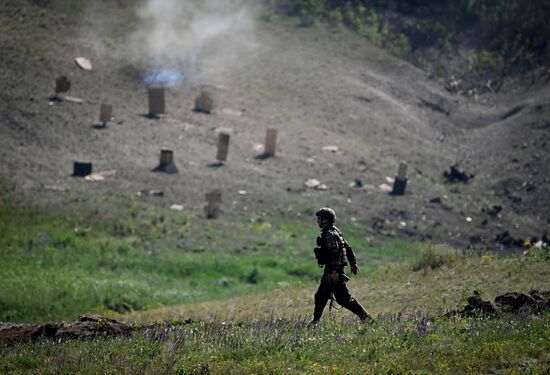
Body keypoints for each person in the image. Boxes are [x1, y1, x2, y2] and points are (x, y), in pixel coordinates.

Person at [309, 207, 373, 326]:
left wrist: (334, 272)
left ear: (326, 220)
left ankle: (314, 323)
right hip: (335, 269)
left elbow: (335, 252)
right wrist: (352, 264)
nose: (317, 221)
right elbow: (347, 248)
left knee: (323, 296)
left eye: (319, 218)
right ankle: (366, 318)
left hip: (332, 270)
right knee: (342, 298)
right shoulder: (335, 231)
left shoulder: (329, 235)